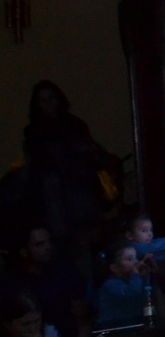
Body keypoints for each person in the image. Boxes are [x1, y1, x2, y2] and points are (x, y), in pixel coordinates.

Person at [21, 81, 112, 253]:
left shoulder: (75, 125)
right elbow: (39, 162)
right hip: (52, 194)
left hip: (80, 187)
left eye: (51, 98)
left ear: (59, 99)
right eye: (42, 100)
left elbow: (92, 156)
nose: (48, 104)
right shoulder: (33, 130)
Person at [1, 225, 91, 337]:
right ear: (24, 251)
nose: (48, 247)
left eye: (49, 242)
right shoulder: (13, 282)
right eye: (39, 244)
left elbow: (80, 307)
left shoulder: (65, 270)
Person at [94, 240, 148, 330]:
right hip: (113, 329)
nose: (136, 262)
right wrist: (135, 274)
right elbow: (133, 294)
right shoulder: (110, 285)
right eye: (129, 259)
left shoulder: (133, 279)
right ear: (115, 268)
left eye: (136, 257)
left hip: (131, 326)